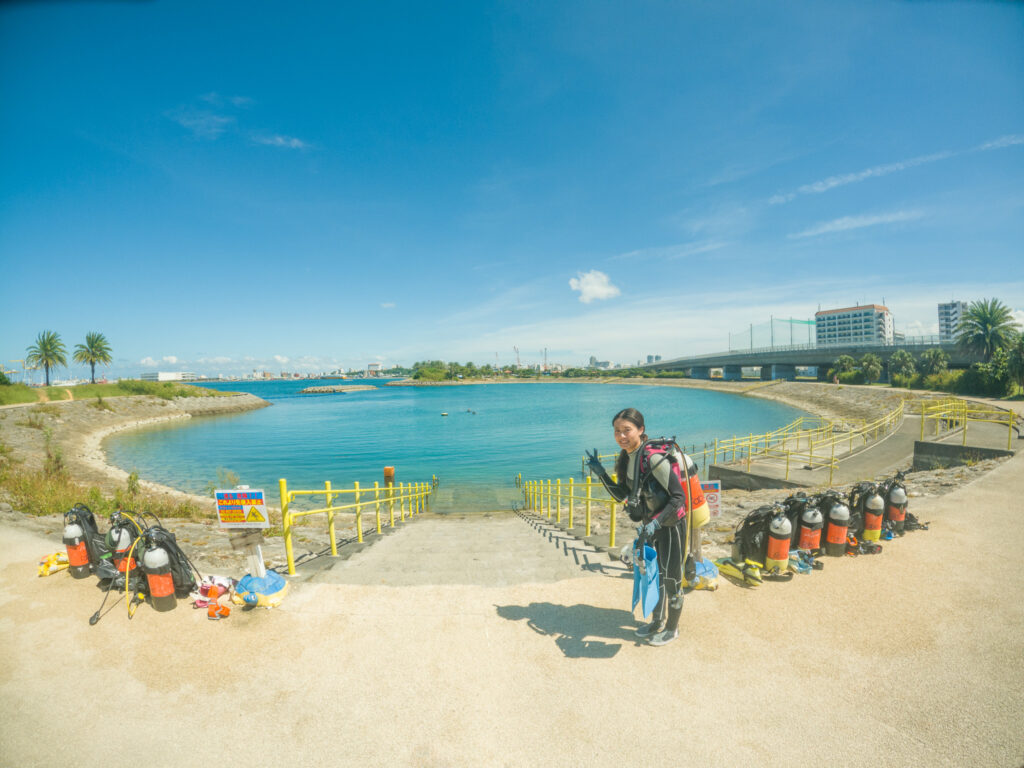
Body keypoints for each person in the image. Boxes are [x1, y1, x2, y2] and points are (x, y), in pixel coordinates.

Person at [585, 408, 701, 647]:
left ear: (641, 430)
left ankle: (672, 629)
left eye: (627, 430)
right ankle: (657, 622)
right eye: (617, 431)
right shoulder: (627, 458)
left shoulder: (653, 459)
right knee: (653, 577)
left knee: (671, 578)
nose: (621, 436)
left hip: (670, 526)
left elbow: (678, 498)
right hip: (650, 527)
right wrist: (602, 474)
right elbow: (623, 496)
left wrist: (657, 522)